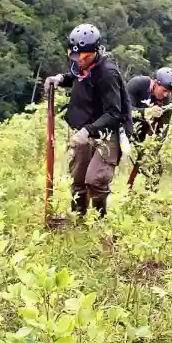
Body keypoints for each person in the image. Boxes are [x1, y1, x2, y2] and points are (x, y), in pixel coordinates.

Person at [43, 24, 132, 218]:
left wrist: (87, 131)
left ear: (96, 52)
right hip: (82, 124)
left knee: (95, 179)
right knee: (78, 177)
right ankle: (78, 220)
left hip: (107, 130)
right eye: (76, 57)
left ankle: (100, 219)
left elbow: (114, 113)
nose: (80, 61)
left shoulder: (107, 73)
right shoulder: (80, 60)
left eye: (86, 58)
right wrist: (59, 79)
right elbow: (75, 77)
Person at [126, 67, 172, 188]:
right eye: (164, 90)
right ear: (156, 83)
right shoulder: (137, 84)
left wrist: (152, 151)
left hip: (144, 135)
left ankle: (147, 199)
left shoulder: (166, 100)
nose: (165, 94)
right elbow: (124, 110)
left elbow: (163, 130)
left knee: (156, 167)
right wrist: (146, 112)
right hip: (124, 127)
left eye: (168, 92)